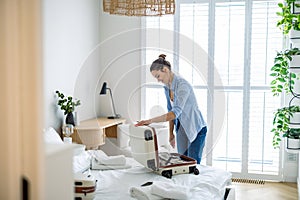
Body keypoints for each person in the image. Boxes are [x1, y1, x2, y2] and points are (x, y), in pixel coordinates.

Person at [135, 54, 207, 164]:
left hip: (196, 128)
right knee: (182, 163)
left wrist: (149, 121)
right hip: (182, 128)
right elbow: (170, 111)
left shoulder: (183, 85)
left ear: (165, 70)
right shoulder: (167, 88)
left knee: (193, 164)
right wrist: (171, 134)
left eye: (158, 76)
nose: (158, 80)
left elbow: (174, 113)